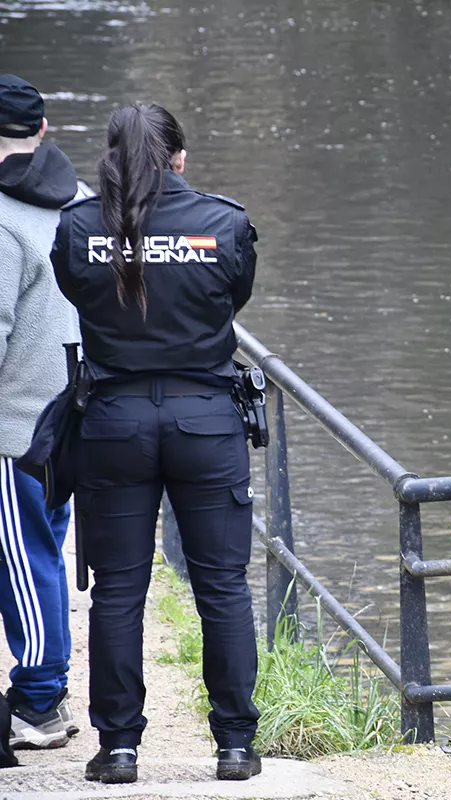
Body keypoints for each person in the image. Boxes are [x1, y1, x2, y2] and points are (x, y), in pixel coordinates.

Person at [50, 103, 261, 784]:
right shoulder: (225, 223)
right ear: (180, 158)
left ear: (110, 158)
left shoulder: (79, 228)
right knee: (223, 587)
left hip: (113, 421)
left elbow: (77, 291)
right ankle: (233, 746)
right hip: (206, 419)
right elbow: (235, 296)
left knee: (117, 591)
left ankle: (119, 749)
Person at [0, 74, 81, 751]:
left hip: (14, 428)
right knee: (46, 554)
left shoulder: (0, 220)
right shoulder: (81, 200)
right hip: (73, 417)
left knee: (23, 562)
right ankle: (46, 692)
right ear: (44, 130)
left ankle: (39, 702)